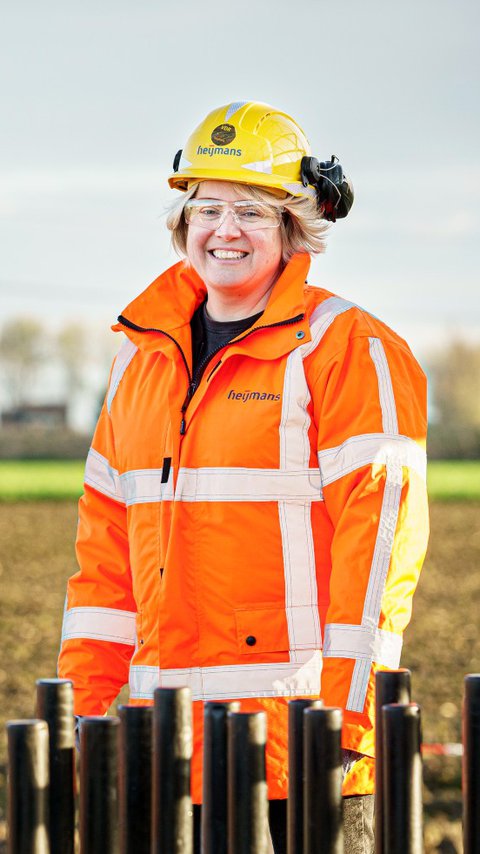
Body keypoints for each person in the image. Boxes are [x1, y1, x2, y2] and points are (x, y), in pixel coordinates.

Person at [58, 101, 429, 852]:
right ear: (182, 221)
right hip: (157, 758)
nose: (224, 229)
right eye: (207, 208)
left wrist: (344, 728)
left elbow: (379, 549)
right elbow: (103, 571)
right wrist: (90, 725)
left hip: (301, 763)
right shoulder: (139, 363)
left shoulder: (350, 349)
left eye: (252, 211)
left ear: (296, 226)